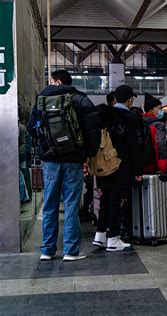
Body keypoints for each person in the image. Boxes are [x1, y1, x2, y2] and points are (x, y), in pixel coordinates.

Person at [27, 69, 95, 261]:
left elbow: (32, 128)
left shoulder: (42, 100)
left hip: (50, 160)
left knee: (49, 205)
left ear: (56, 81)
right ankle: (70, 251)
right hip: (74, 160)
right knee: (72, 204)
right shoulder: (80, 99)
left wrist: (47, 144)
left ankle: (47, 250)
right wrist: (86, 154)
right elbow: (92, 130)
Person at [92, 85, 144, 251]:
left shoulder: (103, 114)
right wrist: (138, 171)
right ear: (130, 99)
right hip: (121, 166)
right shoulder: (131, 118)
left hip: (102, 164)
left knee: (105, 200)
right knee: (116, 202)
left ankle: (100, 235)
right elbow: (136, 147)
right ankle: (113, 239)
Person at [142, 92, 167, 173]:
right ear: (152, 109)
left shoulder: (138, 121)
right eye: (159, 108)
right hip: (152, 165)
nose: (161, 111)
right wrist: (162, 166)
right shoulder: (158, 125)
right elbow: (160, 144)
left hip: (139, 165)